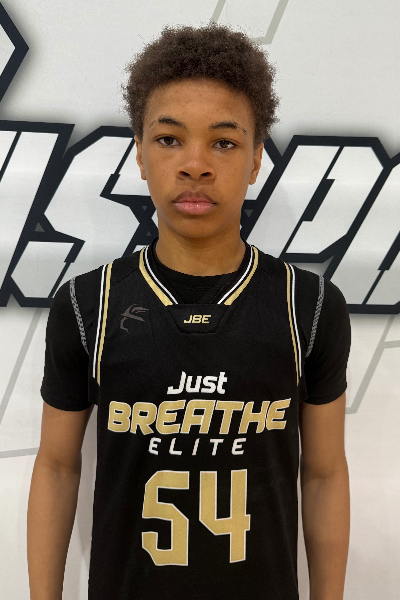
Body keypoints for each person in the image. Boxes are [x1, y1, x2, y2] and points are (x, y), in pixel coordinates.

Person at [27, 24, 351, 600]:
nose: (195, 164)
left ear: (256, 159)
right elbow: (56, 467)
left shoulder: (310, 305)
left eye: (223, 142)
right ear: (139, 154)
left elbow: (324, 474)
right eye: (169, 139)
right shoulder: (86, 304)